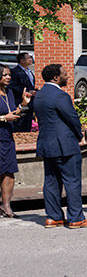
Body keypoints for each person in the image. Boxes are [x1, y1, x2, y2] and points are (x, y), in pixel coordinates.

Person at [32, 64, 87, 229]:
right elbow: (72, 118)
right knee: (72, 181)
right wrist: (80, 135)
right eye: (65, 74)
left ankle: (53, 217)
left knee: (51, 181)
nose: (68, 76)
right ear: (56, 78)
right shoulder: (60, 96)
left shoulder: (39, 95)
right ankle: (76, 218)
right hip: (65, 144)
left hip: (47, 145)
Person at [0, 65, 32, 218]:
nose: (8, 77)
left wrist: (23, 105)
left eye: (9, 75)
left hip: (7, 137)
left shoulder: (9, 93)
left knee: (9, 172)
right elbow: (6, 115)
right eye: (5, 75)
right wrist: (3, 118)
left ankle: (6, 206)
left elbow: (13, 112)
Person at [8, 52, 35, 132]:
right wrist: (25, 92)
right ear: (22, 61)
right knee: (20, 124)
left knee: (28, 124)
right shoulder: (15, 72)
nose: (31, 59)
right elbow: (12, 86)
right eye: (29, 58)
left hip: (30, 102)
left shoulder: (29, 71)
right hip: (20, 102)